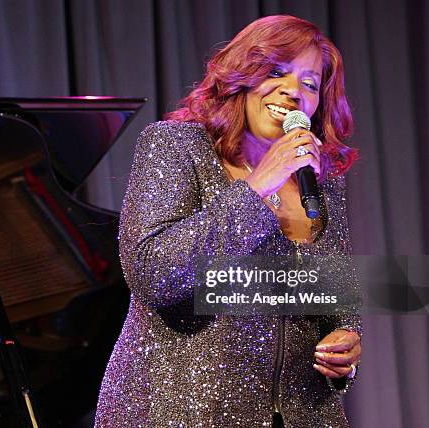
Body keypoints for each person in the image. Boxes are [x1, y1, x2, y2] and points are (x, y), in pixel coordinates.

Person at [95, 15, 362, 428]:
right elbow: (152, 273)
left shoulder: (319, 179)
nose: (293, 91)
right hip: (182, 410)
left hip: (302, 413)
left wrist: (344, 339)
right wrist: (256, 187)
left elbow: (332, 293)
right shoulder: (177, 146)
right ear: (243, 75)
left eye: (310, 84)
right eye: (276, 72)